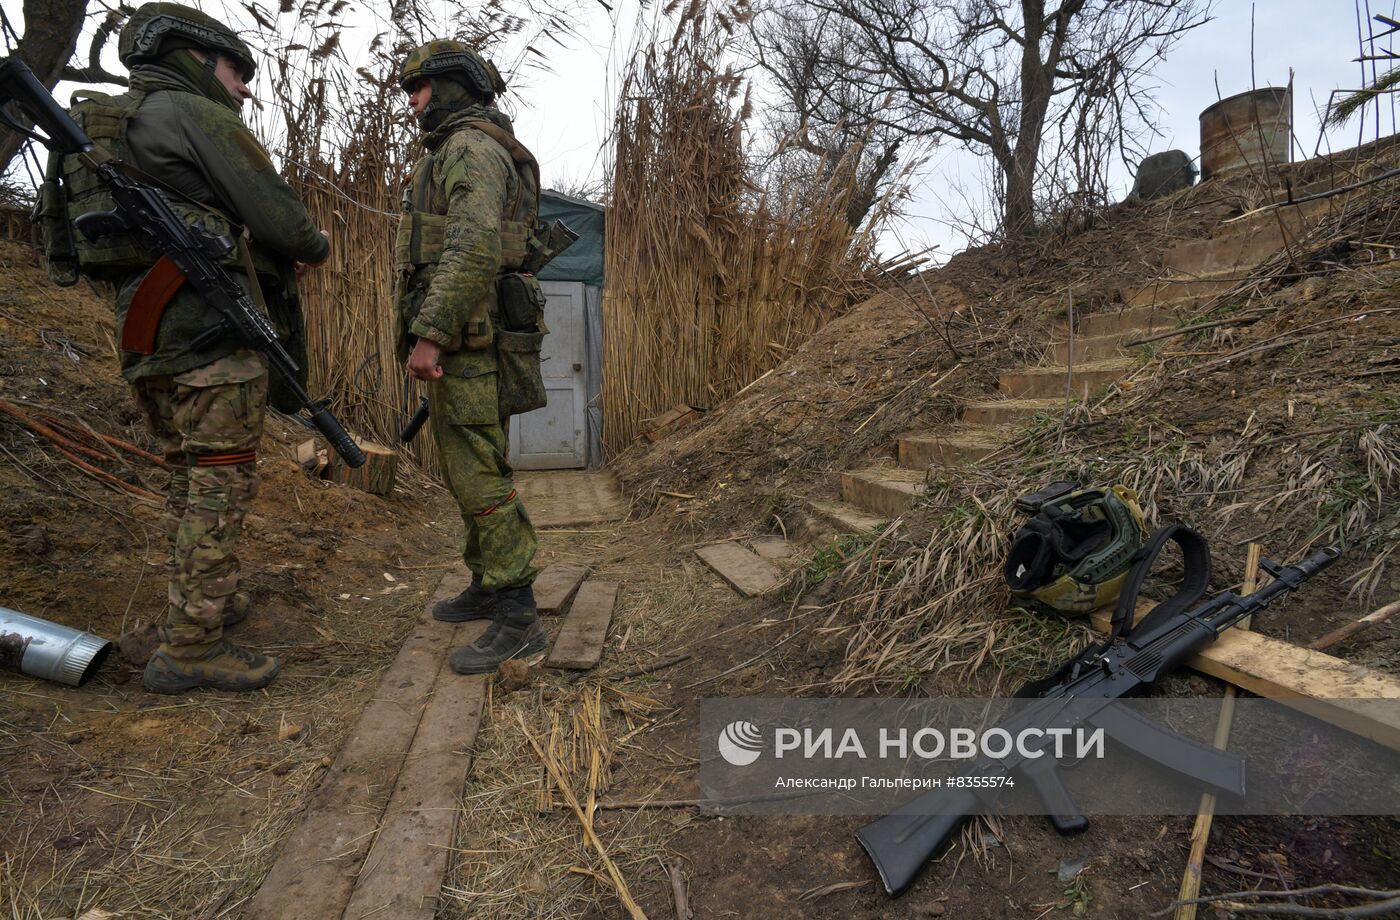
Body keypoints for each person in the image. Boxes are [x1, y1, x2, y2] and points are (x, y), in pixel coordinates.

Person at [54, 3, 331, 692]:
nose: (245, 88)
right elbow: (291, 227)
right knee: (220, 482)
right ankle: (191, 643)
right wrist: (307, 245)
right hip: (208, 335)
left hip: (146, 337)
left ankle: (200, 607)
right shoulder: (193, 112)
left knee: (188, 478)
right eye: (239, 70)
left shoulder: (106, 124)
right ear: (194, 56)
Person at [394, 40, 549, 674]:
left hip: (467, 342)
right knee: (467, 465)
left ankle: (517, 613)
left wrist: (430, 332)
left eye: (420, 88)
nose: (412, 101)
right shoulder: (474, 146)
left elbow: (477, 244)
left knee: (480, 473)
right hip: (473, 337)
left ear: (452, 87)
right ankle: (489, 581)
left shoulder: (468, 148)